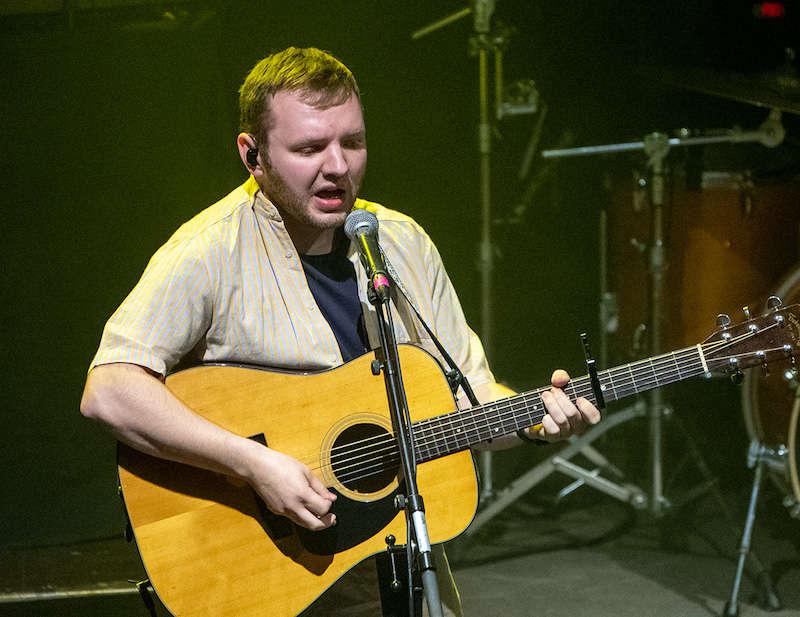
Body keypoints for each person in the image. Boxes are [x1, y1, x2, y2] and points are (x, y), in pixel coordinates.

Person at [80, 46, 601, 617]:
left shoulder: (399, 242)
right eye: (309, 148)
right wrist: (252, 463)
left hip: (394, 561)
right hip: (274, 573)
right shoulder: (208, 251)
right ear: (253, 155)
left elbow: (469, 402)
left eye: (352, 142)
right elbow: (109, 392)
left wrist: (535, 419)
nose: (338, 166)